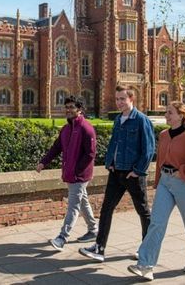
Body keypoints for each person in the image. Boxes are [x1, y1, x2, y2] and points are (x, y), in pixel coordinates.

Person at [128, 101, 185, 281]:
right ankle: (145, 265)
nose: (166, 115)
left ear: (181, 115)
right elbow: (160, 161)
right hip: (166, 183)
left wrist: (184, 173)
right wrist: (159, 181)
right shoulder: (164, 135)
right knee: (157, 223)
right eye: (166, 112)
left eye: (170, 112)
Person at [79, 85, 155, 262]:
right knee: (106, 209)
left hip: (132, 174)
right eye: (117, 99)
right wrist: (109, 163)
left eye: (123, 99)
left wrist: (138, 171)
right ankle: (99, 248)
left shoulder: (141, 120)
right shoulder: (118, 119)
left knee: (142, 210)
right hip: (116, 171)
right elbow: (114, 143)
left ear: (131, 99)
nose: (119, 102)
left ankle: (146, 249)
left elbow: (149, 149)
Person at [36, 95, 99, 251]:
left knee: (73, 205)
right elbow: (56, 148)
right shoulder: (65, 129)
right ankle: (93, 229)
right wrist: (43, 162)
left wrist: (77, 170)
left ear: (79, 109)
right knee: (82, 200)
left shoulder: (86, 128)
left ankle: (62, 237)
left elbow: (90, 154)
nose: (68, 110)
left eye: (72, 107)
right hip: (70, 173)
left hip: (80, 175)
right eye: (67, 107)